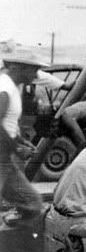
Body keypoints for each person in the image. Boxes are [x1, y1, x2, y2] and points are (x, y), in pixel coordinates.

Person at [0, 58, 46, 220]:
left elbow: (6, 124)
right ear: (20, 68)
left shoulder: (11, 87)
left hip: (5, 160)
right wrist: (17, 149)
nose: (36, 75)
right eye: (33, 70)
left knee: (32, 204)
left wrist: (20, 140)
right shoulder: (4, 88)